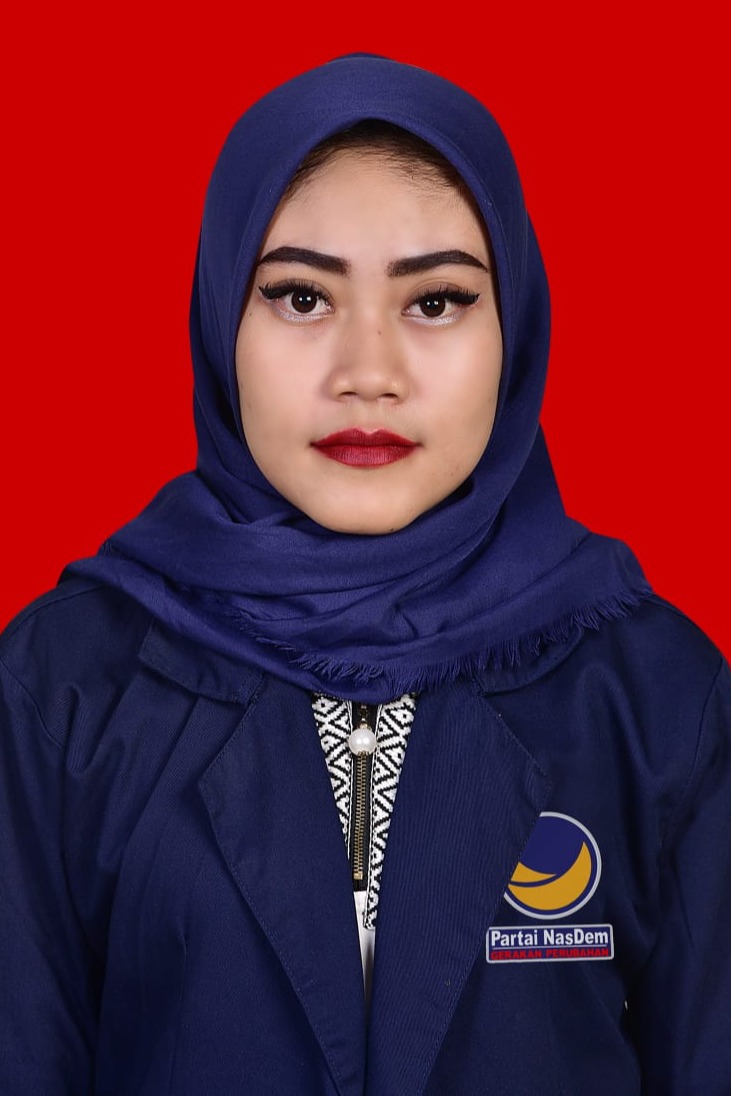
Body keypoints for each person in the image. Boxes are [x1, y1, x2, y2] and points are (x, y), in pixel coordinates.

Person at [0, 53, 729, 1096]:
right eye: (301, 296)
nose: (368, 373)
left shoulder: (656, 698)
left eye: (435, 301)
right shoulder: (62, 684)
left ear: (514, 327)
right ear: (221, 318)